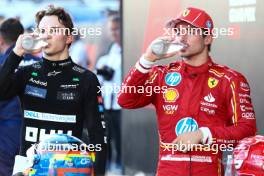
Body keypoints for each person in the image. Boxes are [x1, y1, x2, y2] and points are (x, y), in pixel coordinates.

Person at [118, 7, 256, 176]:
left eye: (189, 31)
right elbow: (125, 100)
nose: (181, 36)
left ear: (208, 38)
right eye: (178, 31)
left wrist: (205, 134)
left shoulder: (230, 79)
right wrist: (148, 59)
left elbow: (248, 130)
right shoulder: (162, 75)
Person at [0, 6, 106, 175]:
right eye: (42, 30)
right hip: (28, 168)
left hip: (68, 169)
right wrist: (17, 52)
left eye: (54, 30)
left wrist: (98, 173)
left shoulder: (87, 79)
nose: (46, 34)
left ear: (69, 37)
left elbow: (97, 136)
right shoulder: (26, 73)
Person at [0, 18, 41, 176]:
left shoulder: (3, 64)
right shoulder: (39, 64)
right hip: (34, 136)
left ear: (1, 39)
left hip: (5, 137)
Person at [96, 14, 122, 173]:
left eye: (117, 29)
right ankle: (106, 168)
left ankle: (120, 166)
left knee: (121, 140)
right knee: (106, 138)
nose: (114, 33)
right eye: (111, 30)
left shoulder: (128, 49)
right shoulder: (111, 50)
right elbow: (101, 77)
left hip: (122, 106)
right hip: (107, 104)